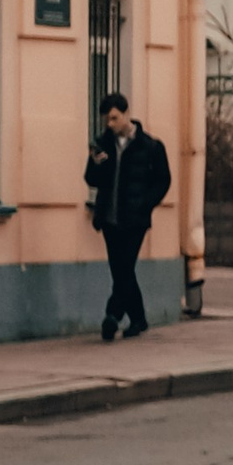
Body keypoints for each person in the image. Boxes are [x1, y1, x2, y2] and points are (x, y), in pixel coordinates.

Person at [84, 93, 172, 341]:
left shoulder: (151, 146)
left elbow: (163, 180)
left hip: (135, 219)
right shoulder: (102, 144)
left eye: (113, 118)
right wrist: (97, 163)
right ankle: (138, 318)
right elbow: (91, 179)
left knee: (124, 266)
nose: (109, 124)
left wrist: (146, 204)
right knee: (121, 269)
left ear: (125, 114)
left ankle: (112, 315)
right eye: (106, 120)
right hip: (110, 217)